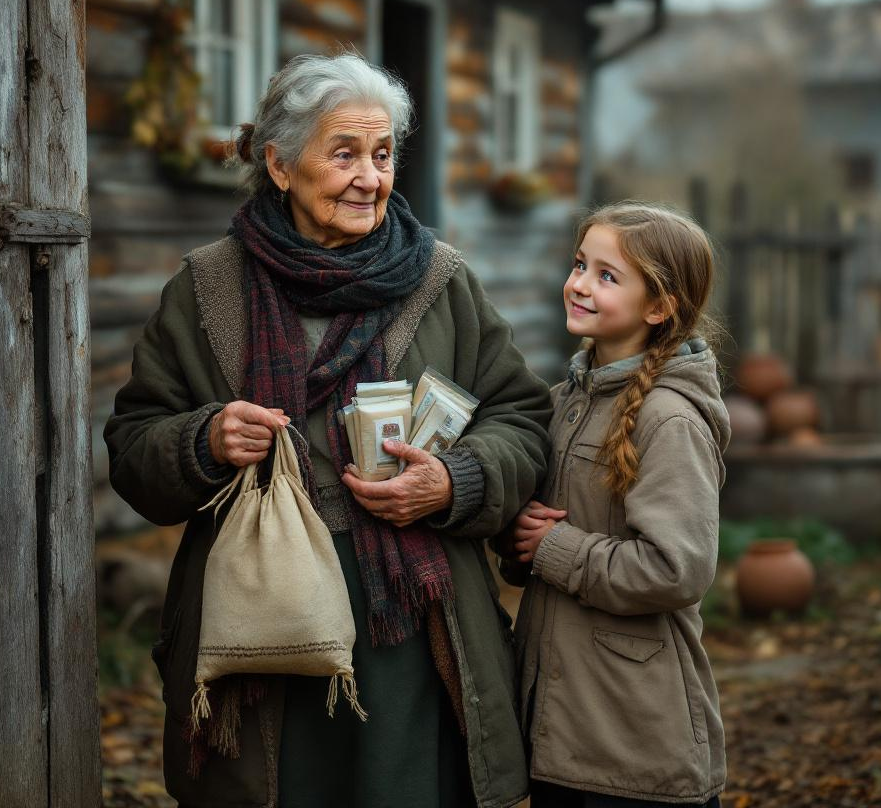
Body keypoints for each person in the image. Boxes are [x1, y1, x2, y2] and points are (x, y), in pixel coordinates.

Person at [105, 52, 551, 808]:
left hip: (415, 623)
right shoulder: (207, 288)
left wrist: (454, 481)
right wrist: (204, 440)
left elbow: (522, 418)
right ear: (279, 166)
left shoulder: (442, 282)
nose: (369, 178)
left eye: (381, 155)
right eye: (343, 154)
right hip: (260, 625)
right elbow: (132, 444)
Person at [500, 202, 729, 808]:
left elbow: (675, 568)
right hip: (563, 729)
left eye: (607, 275)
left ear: (658, 307)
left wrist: (555, 548)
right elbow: (543, 533)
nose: (579, 284)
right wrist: (519, 535)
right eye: (580, 264)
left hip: (634, 738)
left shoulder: (669, 420)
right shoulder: (566, 403)